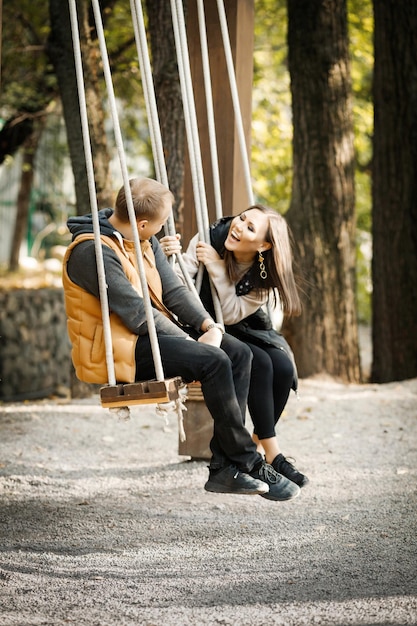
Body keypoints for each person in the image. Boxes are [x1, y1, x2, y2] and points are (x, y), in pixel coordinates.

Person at [62, 178, 300, 502]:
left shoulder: (141, 237)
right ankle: (247, 460)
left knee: (240, 352)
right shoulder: (93, 252)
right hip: (120, 348)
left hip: (147, 337)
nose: (162, 232)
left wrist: (208, 325)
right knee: (214, 360)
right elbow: (138, 315)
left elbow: (174, 290)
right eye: (160, 224)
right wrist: (197, 345)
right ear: (144, 223)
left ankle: (223, 467)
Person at [161, 204, 309, 487]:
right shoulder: (211, 236)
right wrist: (171, 258)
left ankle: (258, 444)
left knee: (282, 365)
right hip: (209, 320)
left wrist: (217, 266)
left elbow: (234, 312)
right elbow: (184, 284)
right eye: (241, 218)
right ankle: (272, 453)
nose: (238, 226)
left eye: (250, 228)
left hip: (245, 323)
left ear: (264, 245)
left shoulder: (266, 273)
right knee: (261, 363)